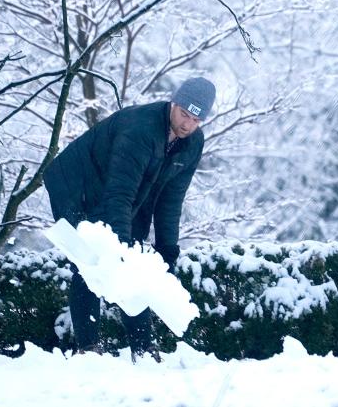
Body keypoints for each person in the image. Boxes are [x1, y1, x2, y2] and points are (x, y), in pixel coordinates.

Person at [43, 76, 215, 359]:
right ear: (174, 103)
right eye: (184, 114)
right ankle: (88, 350)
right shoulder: (141, 129)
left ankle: (144, 349)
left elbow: (171, 200)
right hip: (76, 187)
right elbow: (118, 192)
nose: (187, 124)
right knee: (92, 259)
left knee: (133, 263)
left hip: (127, 195)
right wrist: (120, 245)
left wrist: (167, 251)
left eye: (196, 120)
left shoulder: (192, 144)